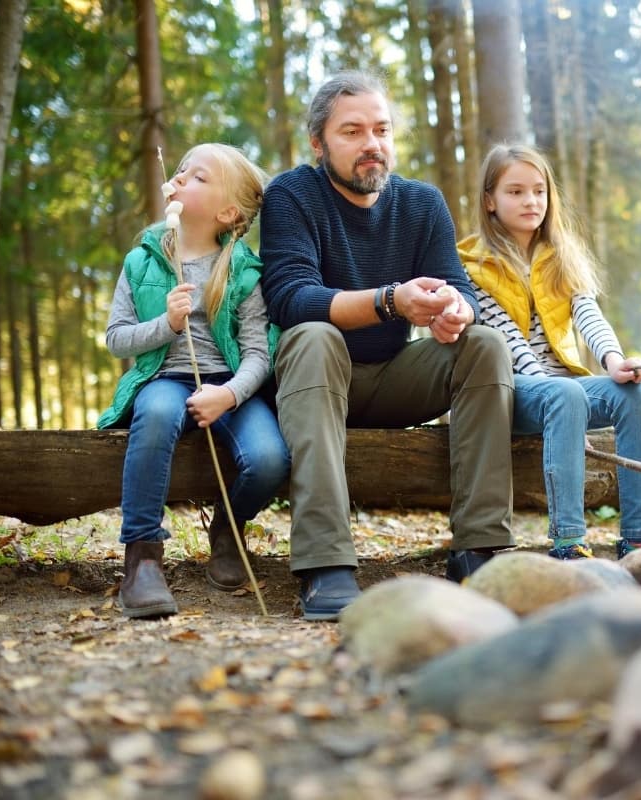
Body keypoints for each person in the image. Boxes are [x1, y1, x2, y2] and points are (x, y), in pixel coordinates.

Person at [259, 70, 516, 620]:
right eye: (352, 131)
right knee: (312, 335)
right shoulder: (290, 195)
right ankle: (325, 563)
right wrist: (389, 300)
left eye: (381, 129)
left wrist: (455, 311)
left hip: (395, 378)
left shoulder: (422, 204)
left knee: (485, 344)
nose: (372, 144)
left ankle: (480, 551)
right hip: (315, 383)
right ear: (318, 142)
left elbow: (461, 287)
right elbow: (290, 298)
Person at [98, 143, 290, 619]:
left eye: (199, 177)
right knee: (158, 412)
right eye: (181, 170)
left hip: (229, 383)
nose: (181, 178)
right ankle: (142, 557)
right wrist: (168, 324)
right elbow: (117, 339)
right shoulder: (142, 260)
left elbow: (257, 354)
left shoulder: (243, 270)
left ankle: (228, 525)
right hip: (165, 376)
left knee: (269, 458)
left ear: (227, 212)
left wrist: (228, 394)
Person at [458, 144, 641, 560]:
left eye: (539, 191)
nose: (531, 201)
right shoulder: (472, 264)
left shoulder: (561, 256)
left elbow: (588, 316)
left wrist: (615, 362)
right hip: (508, 390)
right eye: (515, 192)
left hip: (561, 390)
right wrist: (564, 399)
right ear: (489, 201)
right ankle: (568, 540)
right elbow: (507, 342)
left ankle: (640, 537)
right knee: (566, 393)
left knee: (633, 394)